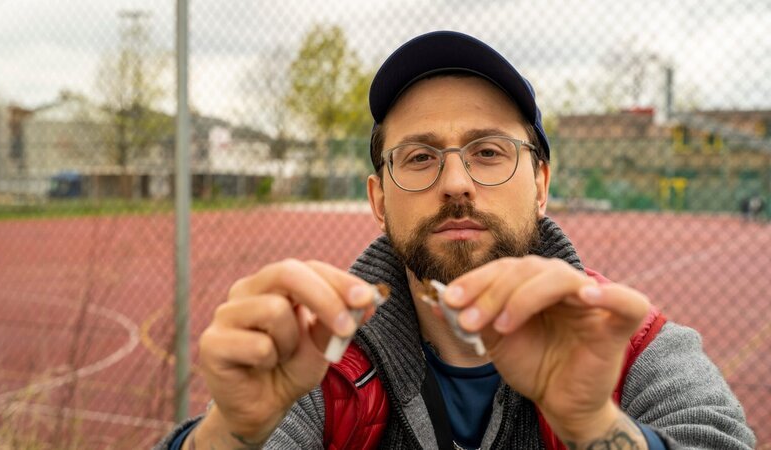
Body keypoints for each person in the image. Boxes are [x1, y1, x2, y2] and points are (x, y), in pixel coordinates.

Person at [155, 31, 755, 449]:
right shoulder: (317, 363)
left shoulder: (633, 348)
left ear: (541, 184)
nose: (456, 183)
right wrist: (229, 435)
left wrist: (594, 424)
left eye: (489, 151)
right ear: (378, 198)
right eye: (419, 157)